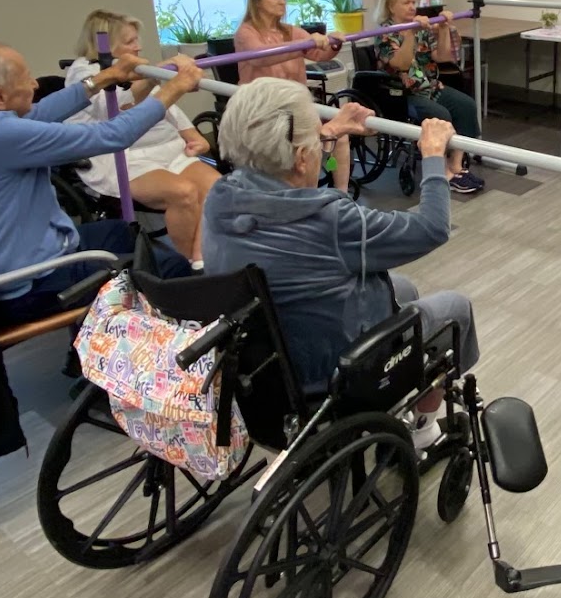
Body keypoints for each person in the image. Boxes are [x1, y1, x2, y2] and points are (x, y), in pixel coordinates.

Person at [201, 77, 478, 451]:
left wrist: (329, 132)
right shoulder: (331, 219)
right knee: (455, 308)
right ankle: (424, 431)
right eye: (316, 140)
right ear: (301, 157)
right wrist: (432, 158)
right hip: (335, 372)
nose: (321, 144)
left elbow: (291, 181)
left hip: (267, 363)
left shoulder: (220, 197)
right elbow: (431, 229)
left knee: (404, 288)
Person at [0, 40, 204, 325]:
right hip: (22, 286)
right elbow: (113, 135)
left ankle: (87, 344)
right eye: (25, 79)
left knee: (121, 233)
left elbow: (37, 115)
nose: (35, 85)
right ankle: (185, 352)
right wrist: (175, 87)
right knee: (167, 268)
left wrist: (106, 77)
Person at [65, 10, 220, 267]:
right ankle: (185, 268)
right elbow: (114, 108)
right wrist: (155, 74)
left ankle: (200, 260)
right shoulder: (84, 72)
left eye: (137, 39)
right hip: (123, 158)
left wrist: (193, 135)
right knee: (184, 193)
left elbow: (167, 104)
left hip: (167, 150)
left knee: (217, 188)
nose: (138, 46)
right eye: (129, 42)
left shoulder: (138, 69)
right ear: (104, 43)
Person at [233, 0, 352, 190]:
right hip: (265, 109)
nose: (282, 0)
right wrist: (303, 43)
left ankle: (342, 197)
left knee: (339, 136)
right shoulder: (246, 32)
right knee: (310, 146)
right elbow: (262, 56)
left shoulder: (290, 31)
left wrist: (333, 43)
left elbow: (318, 55)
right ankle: (309, 198)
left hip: (296, 106)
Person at [376, 0, 484, 195]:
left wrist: (443, 29)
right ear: (391, 6)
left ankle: (456, 165)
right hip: (403, 94)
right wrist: (409, 34)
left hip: (431, 87)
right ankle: (442, 171)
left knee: (466, 106)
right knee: (440, 115)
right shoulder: (385, 33)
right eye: (406, 2)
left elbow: (442, 57)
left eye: (414, 2)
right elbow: (401, 64)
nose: (412, 7)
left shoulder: (420, 27)